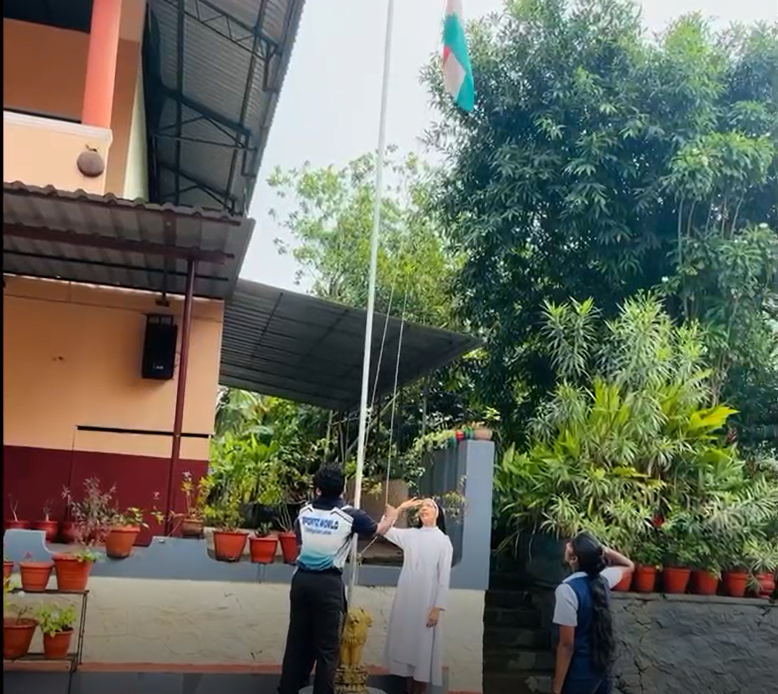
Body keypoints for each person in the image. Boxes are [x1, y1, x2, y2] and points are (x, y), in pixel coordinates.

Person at [278, 465, 398, 694]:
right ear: (343, 488)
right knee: (327, 650)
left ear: (317, 489)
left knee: (296, 645)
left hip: (301, 581)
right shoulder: (351, 515)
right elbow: (378, 529)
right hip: (328, 584)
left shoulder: (304, 512)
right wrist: (392, 516)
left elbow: (300, 542)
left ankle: (287, 690)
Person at [382, 497, 454, 694]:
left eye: (429, 506)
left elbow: (444, 578)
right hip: (407, 599)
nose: (424, 508)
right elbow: (384, 529)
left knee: (423, 649)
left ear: (438, 513)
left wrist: (437, 608)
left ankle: (419, 691)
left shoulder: (443, 542)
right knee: (406, 647)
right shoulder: (411, 535)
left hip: (427, 602)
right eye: (422, 506)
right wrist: (400, 508)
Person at [551, 532, 635, 694]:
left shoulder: (566, 590)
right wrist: (603, 550)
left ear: (574, 559)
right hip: (602, 667)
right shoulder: (603, 579)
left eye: (571, 545)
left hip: (579, 671)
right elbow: (629, 565)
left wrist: (556, 688)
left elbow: (567, 645)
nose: (566, 545)